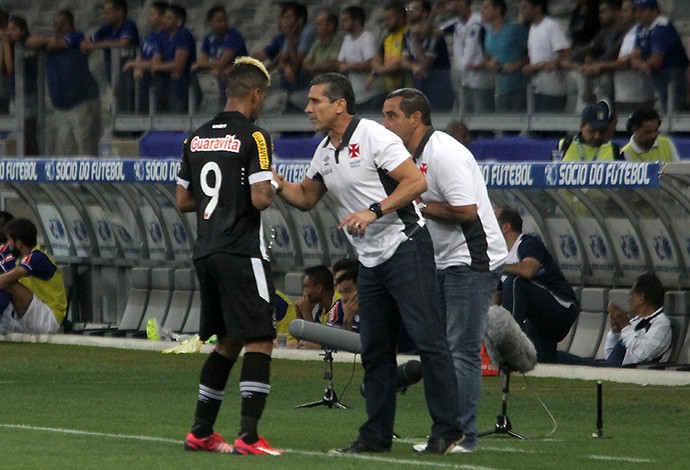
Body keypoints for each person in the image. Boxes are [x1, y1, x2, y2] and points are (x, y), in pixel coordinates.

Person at [274, 72, 462, 455]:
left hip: (407, 248)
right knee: (374, 350)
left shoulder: (375, 136)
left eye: (316, 101)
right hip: (372, 260)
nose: (308, 109)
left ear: (340, 105)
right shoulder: (325, 150)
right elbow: (307, 196)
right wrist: (273, 181)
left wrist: (373, 211)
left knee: (429, 340)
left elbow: (414, 183)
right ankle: (375, 436)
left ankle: (447, 429)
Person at [382, 88, 507, 453]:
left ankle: (463, 436)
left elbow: (466, 212)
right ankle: (449, 429)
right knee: (441, 347)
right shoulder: (408, 155)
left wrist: (417, 204)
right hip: (442, 259)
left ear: (415, 118)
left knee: (461, 349)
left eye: (392, 115)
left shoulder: (445, 153)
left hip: (472, 259)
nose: (385, 123)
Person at [176, 56, 282, 456]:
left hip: (205, 250)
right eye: (263, 97)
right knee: (260, 337)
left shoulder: (194, 137)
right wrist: (270, 182)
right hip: (241, 249)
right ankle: (250, 437)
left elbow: (183, 200)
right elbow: (260, 198)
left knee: (229, 340)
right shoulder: (256, 137)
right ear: (255, 94)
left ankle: (201, 431)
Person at [495, 206, 579, 363]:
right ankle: (610, 369)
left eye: (491, 219)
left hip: (562, 307)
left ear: (505, 227)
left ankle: (510, 344)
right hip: (536, 320)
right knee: (541, 364)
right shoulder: (499, 256)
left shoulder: (528, 244)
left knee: (515, 281)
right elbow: (494, 301)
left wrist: (495, 267)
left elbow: (528, 271)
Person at [25, 10, 101, 156]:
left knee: (86, 150)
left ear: (71, 25)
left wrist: (46, 41)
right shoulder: (52, 39)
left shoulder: (77, 36)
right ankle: (74, 180)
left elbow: (56, 45)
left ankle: (90, 179)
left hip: (82, 103)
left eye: (62, 24)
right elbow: (29, 41)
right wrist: (47, 41)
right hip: (61, 107)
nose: (58, 27)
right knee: (67, 150)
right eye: (55, 24)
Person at [0, 218, 67, 335]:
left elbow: (6, 280)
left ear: (18, 243)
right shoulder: (20, 258)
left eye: (9, 241)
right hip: (34, 314)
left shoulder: (38, 257)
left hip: (49, 318)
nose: (7, 244)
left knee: (9, 283)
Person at [561, 0, 627, 110]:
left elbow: (612, 53)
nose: (600, 15)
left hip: (619, 86)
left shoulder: (627, 33)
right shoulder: (604, 33)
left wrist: (597, 65)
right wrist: (572, 60)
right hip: (602, 84)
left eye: (604, 12)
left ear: (616, 11)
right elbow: (590, 47)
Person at [252, 2, 314, 113]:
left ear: (299, 20)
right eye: (284, 17)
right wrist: (286, 67)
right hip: (292, 84)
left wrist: (290, 37)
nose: (284, 21)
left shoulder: (307, 32)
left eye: (288, 17)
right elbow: (281, 63)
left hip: (306, 85)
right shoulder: (288, 35)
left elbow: (296, 64)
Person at [630, 0, 689, 114]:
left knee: (673, 111)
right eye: (636, 11)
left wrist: (643, 64)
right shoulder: (640, 28)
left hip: (672, 75)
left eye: (642, 10)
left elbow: (656, 60)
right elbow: (634, 56)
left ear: (654, 10)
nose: (638, 14)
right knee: (662, 110)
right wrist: (643, 65)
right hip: (657, 76)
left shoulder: (662, 26)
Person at [81, 0, 139, 113]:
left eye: (108, 12)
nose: (105, 16)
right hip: (113, 79)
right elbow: (87, 42)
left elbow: (124, 43)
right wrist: (88, 45)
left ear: (120, 12)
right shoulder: (106, 28)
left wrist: (99, 45)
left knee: (126, 109)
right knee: (114, 108)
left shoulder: (128, 25)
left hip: (128, 79)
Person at [604, 274, 672, 367]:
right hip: (612, 368)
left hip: (631, 372)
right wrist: (615, 333)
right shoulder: (635, 321)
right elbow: (609, 355)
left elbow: (641, 355)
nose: (629, 299)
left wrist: (625, 325)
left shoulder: (661, 324)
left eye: (632, 295)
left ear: (641, 298)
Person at [401, 0, 455, 113]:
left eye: (413, 9)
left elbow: (425, 62)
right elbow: (403, 60)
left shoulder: (434, 35)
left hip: (438, 87)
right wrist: (414, 67)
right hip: (420, 85)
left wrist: (416, 41)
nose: (408, 12)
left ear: (425, 13)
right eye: (408, 9)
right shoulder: (407, 34)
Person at [440, 0, 493, 113]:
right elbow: (427, 33)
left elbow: (492, 43)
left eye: (451, 3)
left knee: (482, 121)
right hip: (464, 80)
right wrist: (434, 12)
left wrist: (484, 62)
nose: (448, 7)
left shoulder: (479, 21)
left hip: (481, 80)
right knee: (467, 121)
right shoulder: (455, 23)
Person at [191, 6, 248, 110]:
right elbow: (204, 59)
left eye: (225, 19)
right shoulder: (208, 38)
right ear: (210, 22)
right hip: (223, 81)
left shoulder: (234, 36)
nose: (223, 23)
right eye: (218, 20)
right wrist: (212, 65)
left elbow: (223, 62)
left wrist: (208, 64)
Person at [521, 0, 571, 113]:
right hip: (537, 87)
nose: (522, 10)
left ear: (537, 7)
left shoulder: (551, 26)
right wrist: (529, 67)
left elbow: (566, 53)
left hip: (552, 88)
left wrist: (552, 63)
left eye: (525, 6)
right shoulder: (532, 29)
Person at [480, 0, 529, 112]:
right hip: (500, 89)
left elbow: (532, 52)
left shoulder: (514, 29)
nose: (482, 11)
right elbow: (487, 58)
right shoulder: (488, 33)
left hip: (519, 88)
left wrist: (517, 65)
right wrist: (489, 65)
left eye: (486, 8)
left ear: (497, 10)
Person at [337, 6, 386, 112]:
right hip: (357, 94)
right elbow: (340, 63)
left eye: (346, 20)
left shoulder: (368, 38)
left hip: (372, 94)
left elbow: (370, 64)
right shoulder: (347, 39)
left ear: (357, 21)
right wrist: (350, 66)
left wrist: (348, 66)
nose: (342, 24)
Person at [2, 15, 39, 155]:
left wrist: (5, 43)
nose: (10, 32)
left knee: (28, 137)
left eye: (14, 29)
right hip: (14, 96)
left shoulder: (26, 46)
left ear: (22, 31)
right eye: (8, 29)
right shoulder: (11, 48)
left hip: (27, 97)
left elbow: (12, 69)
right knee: (17, 137)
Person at [122, 1, 168, 114]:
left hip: (160, 81)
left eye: (153, 14)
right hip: (145, 82)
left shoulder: (166, 36)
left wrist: (135, 65)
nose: (149, 17)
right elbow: (140, 55)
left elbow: (157, 60)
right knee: (143, 111)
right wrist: (138, 67)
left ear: (163, 17)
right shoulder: (149, 36)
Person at [151, 3, 198, 113]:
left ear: (179, 21)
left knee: (178, 115)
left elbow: (179, 65)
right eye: (165, 17)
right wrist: (168, 67)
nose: (165, 20)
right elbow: (155, 62)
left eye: (169, 18)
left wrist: (162, 67)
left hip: (182, 84)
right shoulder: (163, 35)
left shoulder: (183, 34)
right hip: (165, 85)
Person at [613, 0, 655, 114]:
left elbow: (626, 61)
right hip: (624, 93)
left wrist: (601, 65)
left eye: (625, 11)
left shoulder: (644, 32)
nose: (621, 14)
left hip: (638, 94)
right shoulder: (630, 33)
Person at [367, 1, 411, 95]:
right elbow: (377, 58)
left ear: (400, 17)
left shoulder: (409, 34)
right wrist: (375, 73)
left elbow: (402, 62)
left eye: (389, 18)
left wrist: (383, 71)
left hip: (408, 88)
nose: (386, 22)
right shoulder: (388, 38)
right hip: (391, 89)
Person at [303, 10, 343, 76]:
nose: (316, 28)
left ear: (331, 26)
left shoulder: (338, 42)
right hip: (318, 81)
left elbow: (333, 64)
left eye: (319, 24)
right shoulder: (317, 44)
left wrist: (313, 66)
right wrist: (318, 66)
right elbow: (305, 64)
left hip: (333, 82)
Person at [331, 257, 360, 332]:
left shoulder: (376, 310)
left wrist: (348, 320)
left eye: (347, 291)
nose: (343, 298)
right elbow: (330, 341)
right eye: (340, 292)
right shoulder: (339, 306)